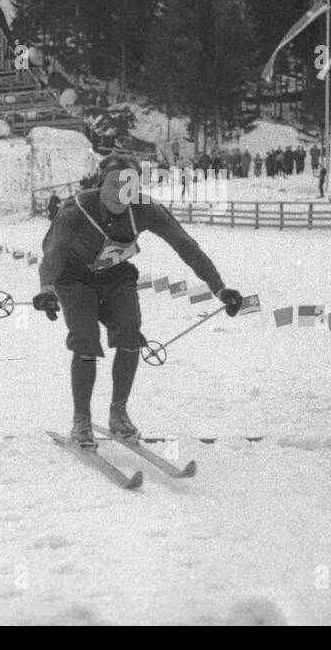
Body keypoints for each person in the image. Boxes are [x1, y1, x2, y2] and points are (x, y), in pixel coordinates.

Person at [34, 154, 244, 449]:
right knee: (85, 339)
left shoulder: (145, 208)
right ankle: (81, 419)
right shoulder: (79, 207)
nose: (122, 195)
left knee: (130, 333)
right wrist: (46, 288)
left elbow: (184, 245)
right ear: (100, 184)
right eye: (114, 185)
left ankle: (118, 412)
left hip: (117, 275)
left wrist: (219, 288)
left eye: (129, 187)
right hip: (74, 276)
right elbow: (54, 250)